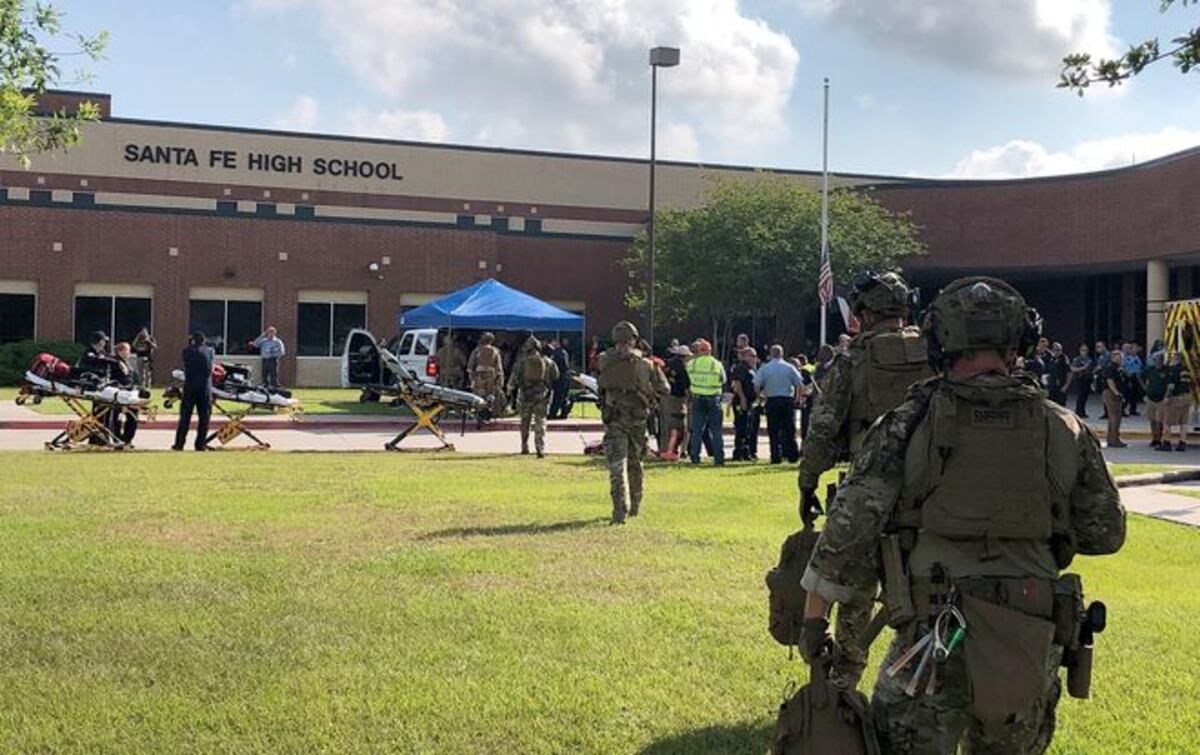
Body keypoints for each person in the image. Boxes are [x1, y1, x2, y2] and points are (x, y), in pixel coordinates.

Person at [798, 276, 1125, 754]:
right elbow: (1106, 533)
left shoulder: (908, 423)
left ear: (939, 341)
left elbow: (847, 529)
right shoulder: (1063, 426)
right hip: (1027, 633)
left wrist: (813, 619)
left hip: (933, 635)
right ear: (1020, 342)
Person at [797, 271, 933, 687]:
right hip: (931, 492)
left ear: (864, 313)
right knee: (927, 590)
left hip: (868, 487)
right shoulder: (935, 354)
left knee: (854, 590)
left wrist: (807, 483)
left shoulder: (853, 359)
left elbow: (823, 428)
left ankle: (843, 685)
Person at [597, 321, 668, 524]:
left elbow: (600, 381)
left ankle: (619, 509)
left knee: (617, 465)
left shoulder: (604, 360)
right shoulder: (647, 364)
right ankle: (635, 504)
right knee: (635, 463)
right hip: (638, 420)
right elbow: (665, 388)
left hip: (614, 418)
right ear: (634, 339)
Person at [506, 337, 559, 457]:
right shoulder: (547, 362)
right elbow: (556, 376)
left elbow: (513, 379)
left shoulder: (522, 362)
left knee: (525, 422)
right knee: (540, 421)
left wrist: (510, 389)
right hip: (542, 395)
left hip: (526, 395)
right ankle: (540, 448)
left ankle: (524, 446)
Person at [755, 344, 804, 464]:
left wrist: (761, 397)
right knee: (789, 429)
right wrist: (797, 399)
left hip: (772, 400)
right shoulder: (789, 367)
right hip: (787, 400)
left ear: (771, 354)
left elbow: (756, 385)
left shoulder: (765, 368)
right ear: (782, 354)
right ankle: (793, 455)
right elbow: (799, 384)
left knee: (773, 430)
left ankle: (775, 456)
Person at [685, 338, 726, 466]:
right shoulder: (716, 364)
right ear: (709, 350)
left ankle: (695, 457)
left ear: (699, 350)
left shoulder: (692, 364)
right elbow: (723, 380)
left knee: (697, 430)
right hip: (714, 399)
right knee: (716, 430)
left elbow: (687, 379)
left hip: (697, 398)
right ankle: (718, 459)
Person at [173, 331, 215, 452]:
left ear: (192, 340)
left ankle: (179, 443)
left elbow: (187, 366)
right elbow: (210, 369)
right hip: (204, 387)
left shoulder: (186, 351)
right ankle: (200, 444)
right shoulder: (209, 352)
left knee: (185, 417)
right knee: (204, 418)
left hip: (190, 386)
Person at [659, 344, 691, 460]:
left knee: (665, 425)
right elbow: (687, 385)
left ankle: (663, 450)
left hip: (664, 397)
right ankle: (672, 452)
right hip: (677, 399)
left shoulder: (666, 364)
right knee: (677, 425)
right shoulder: (681, 368)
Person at [729, 347, 760, 461]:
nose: (754, 358)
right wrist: (742, 398)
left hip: (750, 402)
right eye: (752, 356)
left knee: (748, 427)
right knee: (741, 427)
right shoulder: (741, 368)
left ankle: (746, 452)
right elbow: (737, 384)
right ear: (745, 356)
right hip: (742, 401)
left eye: (755, 356)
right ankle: (738, 452)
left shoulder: (752, 369)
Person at [468, 331, 506, 417]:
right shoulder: (496, 352)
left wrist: (472, 379)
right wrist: (500, 380)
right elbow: (499, 368)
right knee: (491, 396)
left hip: (479, 377)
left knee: (478, 396)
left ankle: (478, 413)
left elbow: (470, 367)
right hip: (491, 377)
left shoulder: (476, 351)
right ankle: (491, 413)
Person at [1162, 351, 1193, 451]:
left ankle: (1167, 443)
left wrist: (1167, 396)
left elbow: (1171, 385)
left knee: (1167, 422)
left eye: (1171, 357)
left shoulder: (1173, 370)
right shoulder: (1186, 370)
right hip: (1187, 397)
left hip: (1176, 398)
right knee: (1183, 422)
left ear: (1175, 358)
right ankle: (1182, 443)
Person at [112, 341, 140, 444]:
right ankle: (117, 438)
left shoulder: (127, 363)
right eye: (127, 351)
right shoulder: (115, 363)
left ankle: (127, 438)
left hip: (130, 393)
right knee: (117, 417)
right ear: (120, 351)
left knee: (133, 415)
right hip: (120, 393)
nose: (129, 353)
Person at [1101, 348, 1127, 448]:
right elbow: (1110, 381)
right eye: (1118, 356)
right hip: (1111, 393)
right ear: (1113, 357)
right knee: (1115, 417)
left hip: (1115, 393)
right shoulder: (1111, 367)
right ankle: (1114, 439)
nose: (1120, 357)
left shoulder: (1118, 367)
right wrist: (1116, 393)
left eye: (1120, 356)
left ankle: (1111, 439)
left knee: (1114, 417)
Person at [1142, 351, 1168, 449]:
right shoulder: (1150, 370)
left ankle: (1159, 438)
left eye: (1160, 360)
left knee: (1159, 420)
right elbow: (1140, 377)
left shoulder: (1166, 370)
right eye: (1156, 360)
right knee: (1152, 420)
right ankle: (1154, 438)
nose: (1158, 362)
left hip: (1161, 398)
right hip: (1150, 398)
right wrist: (1145, 387)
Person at [548, 337, 572, 419]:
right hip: (565, 377)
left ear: (556, 343)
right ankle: (564, 413)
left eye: (552, 342)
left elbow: (557, 366)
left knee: (557, 397)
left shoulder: (556, 353)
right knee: (564, 396)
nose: (551, 343)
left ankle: (552, 414)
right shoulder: (564, 352)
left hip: (560, 377)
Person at [1069, 343, 1093, 418]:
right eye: (1083, 350)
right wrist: (1083, 368)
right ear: (1080, 351)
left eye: (1086, 350)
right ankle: (1078, 411)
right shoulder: (1077, 359)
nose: (1084, 351)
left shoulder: (1089, 359)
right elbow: (1073, 368)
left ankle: (1082, 412)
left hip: (1087, 379)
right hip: (1080, 379)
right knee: (1080, 396)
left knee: (1085, 397)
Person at [1045, 341, 1070, 405]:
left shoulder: (1064, 358)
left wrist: (1066, 386)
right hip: (1052, 386)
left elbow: (1069, 373)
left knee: (1061, 405)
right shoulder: (1052, 358)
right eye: (1056, 350)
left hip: (1061, 386)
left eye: (1059, 350)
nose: (1058, 352)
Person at [1122, 341, 1143, 416]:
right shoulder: (1126, 358)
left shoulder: (1138, 357)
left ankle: (1133, 409)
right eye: (1132, 348)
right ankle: (1123, 409)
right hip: (1128, 377)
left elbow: (1140, 367)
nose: (1134, 350)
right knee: (1127, 394)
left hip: (1136, 377)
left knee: (1135, 394)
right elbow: (1124, 367)